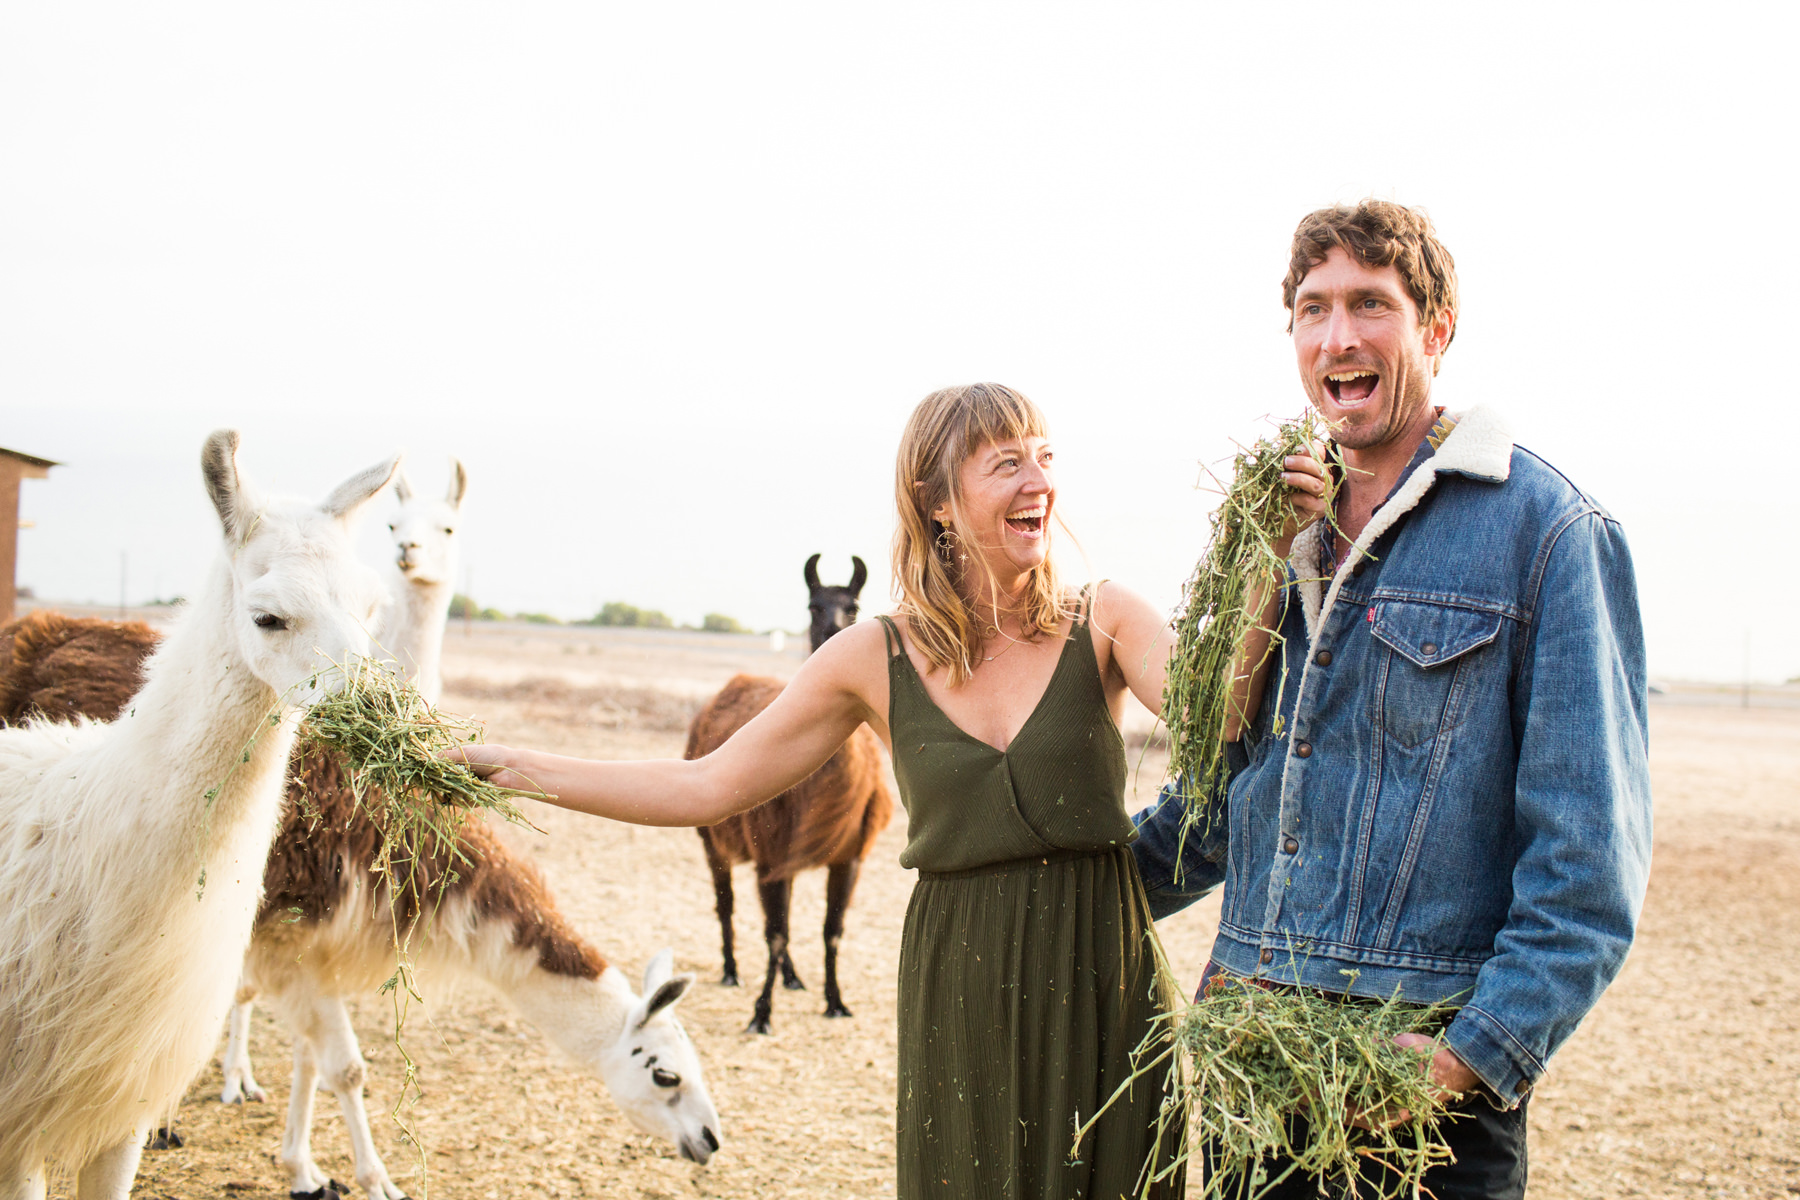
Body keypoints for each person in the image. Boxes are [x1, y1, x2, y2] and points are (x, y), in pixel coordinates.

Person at [453, 382, 1185, 1199]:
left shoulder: (1109, 618)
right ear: (937, 501)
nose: (1038, 481)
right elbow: (706, 785)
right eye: (1006, 463)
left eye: (1046, 459)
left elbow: (1227, 710)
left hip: (1103, 975)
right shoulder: (874, 656)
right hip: (962, 981)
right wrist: (505, 768)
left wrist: (1281, 559)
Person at [1131, 200, 1652, 1198]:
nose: (1338, 336)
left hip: (1421, 1087)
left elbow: (1587, 867)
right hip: (1257, 1051)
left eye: (1371, 304)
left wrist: (1473, 1056)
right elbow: (1229, 797)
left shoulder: (1545, 533)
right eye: (1312, 308)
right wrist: (1051, 885)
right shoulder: (1276, 527)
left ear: (1437, 331)